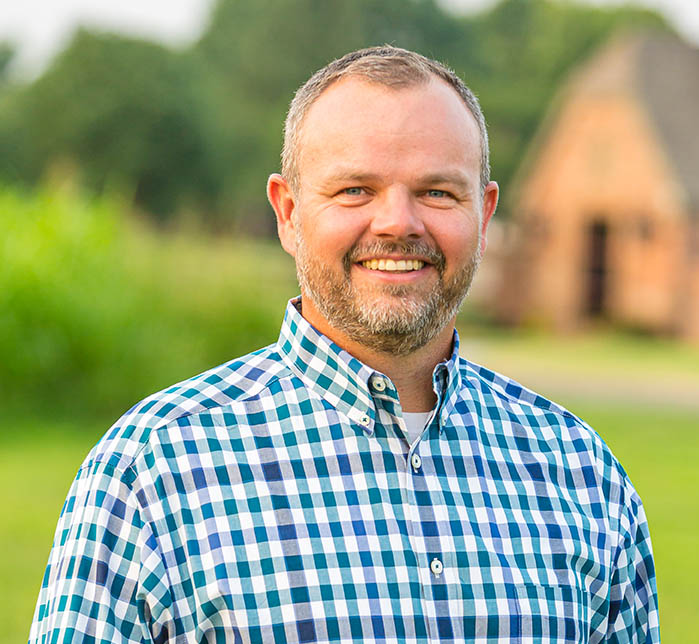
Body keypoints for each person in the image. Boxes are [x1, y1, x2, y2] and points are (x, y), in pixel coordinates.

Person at [29, 46, 659, 643]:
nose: (398, 223)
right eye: (355, 189)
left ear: (484, 215)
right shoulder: (150, 473)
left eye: (437, 192)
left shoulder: (584, 477)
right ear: (288, 213)